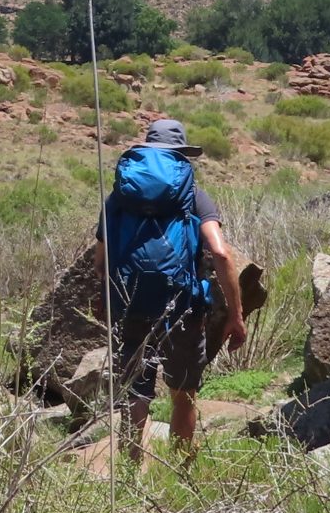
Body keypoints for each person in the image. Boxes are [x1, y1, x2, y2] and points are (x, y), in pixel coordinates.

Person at [97, 119, 246, 464]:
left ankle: (130, 470)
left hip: (131, 303)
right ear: (181, 154)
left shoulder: (119, 197)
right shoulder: (194, 196)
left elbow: (100, 262)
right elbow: (221, 253)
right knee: (183, 393)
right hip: (182, 307)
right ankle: (179, 469)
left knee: (136, 392)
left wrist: (110, 300)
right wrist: (235, 314)